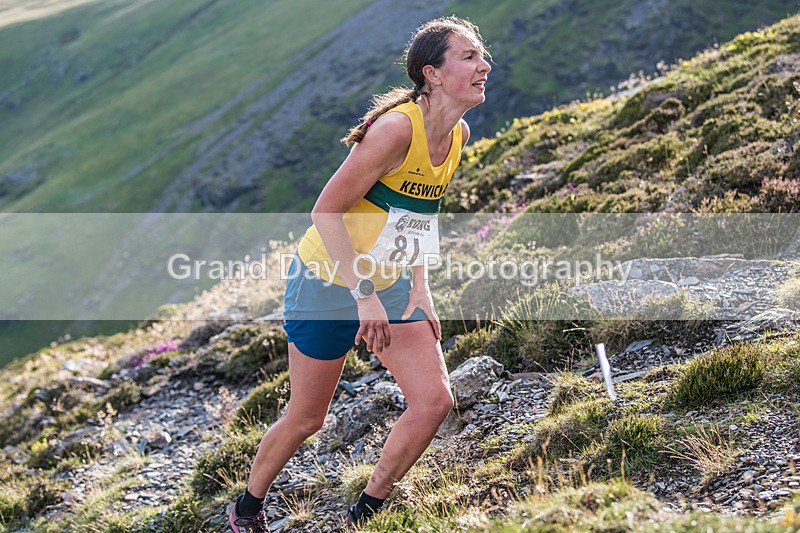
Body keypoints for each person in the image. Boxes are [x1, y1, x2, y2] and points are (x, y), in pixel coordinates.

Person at [228, 15, 491, 532]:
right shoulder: (396, 130)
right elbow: (325, 211)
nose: (485, 65)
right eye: (470, 57)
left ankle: (365, 511)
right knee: (308, 418)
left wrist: (421, 287)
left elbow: (420, 213)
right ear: (432, 73)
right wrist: (363, 294)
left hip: (390, 284)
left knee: (434, 401)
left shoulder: (456, 133)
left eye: (483, 56)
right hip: (328, 281)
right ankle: (246, 510)